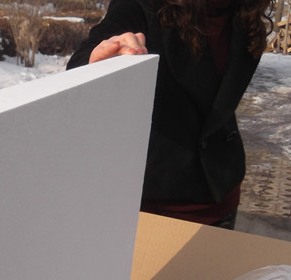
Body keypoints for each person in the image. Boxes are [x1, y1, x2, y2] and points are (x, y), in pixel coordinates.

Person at [66, 0, 273, 228]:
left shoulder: (244, 12)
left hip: (221, 191)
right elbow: (83, 62)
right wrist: (99, 60)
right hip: (156, 199)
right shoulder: (146, 6)